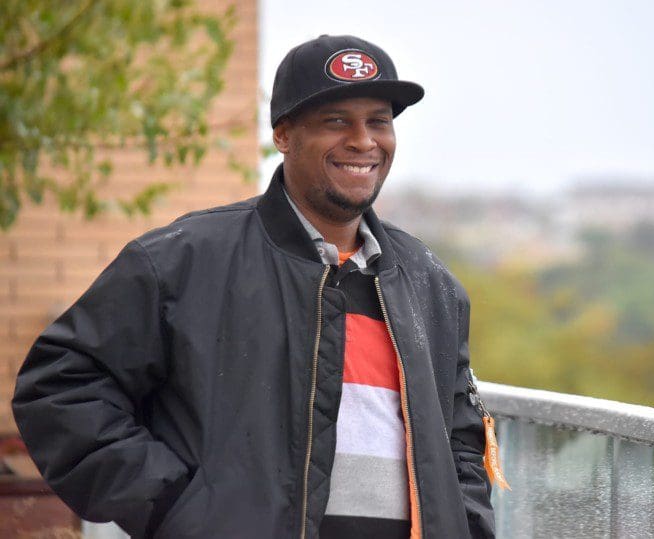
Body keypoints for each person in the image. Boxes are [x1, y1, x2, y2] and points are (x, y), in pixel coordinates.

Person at [13, 34, 495, 538]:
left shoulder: (430, 284)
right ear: (284, 136)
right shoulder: (182, 259)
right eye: (336, 121)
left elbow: (462, 441)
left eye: (379, 120)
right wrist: (177, 510)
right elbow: (60, 387)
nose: (363, 140)